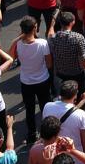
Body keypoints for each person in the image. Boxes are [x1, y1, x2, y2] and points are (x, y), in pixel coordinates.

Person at [9, 15, 53, 147]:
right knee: (46, 106)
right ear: (35, 28)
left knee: (29, 109)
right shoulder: (43, 43)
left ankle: (32, 134)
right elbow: (49, 64)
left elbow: (10, 57)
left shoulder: (18, 45)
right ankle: (48, 132)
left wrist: (17, 39)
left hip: (26, 82)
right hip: (43, 80)